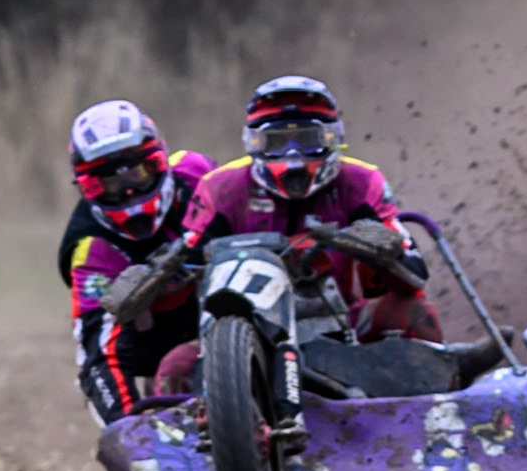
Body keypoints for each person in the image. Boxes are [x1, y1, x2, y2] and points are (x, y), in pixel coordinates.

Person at [180, 75, 440, 344]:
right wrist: (163, 270)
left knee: (414, 311)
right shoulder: (220, 188)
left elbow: (415, 278)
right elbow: (186, 264)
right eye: (279, 142)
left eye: (306, 139)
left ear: (332, 137)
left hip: (342, 323)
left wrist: (389, 250)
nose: (293, 156)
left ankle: (438, 378)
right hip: (247, 332)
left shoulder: (362, 181)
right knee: (176, 367)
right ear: (256, 143)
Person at [59, 99, 214, 424]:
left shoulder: (199, 173)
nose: (128, 192)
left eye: (138, 175)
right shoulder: (91, 250)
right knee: (177, 369)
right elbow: (100, 357)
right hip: (154, 336)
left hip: (233, 304)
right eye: (109, 184)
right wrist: (131, 435)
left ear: (160, 162)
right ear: (88, 188)